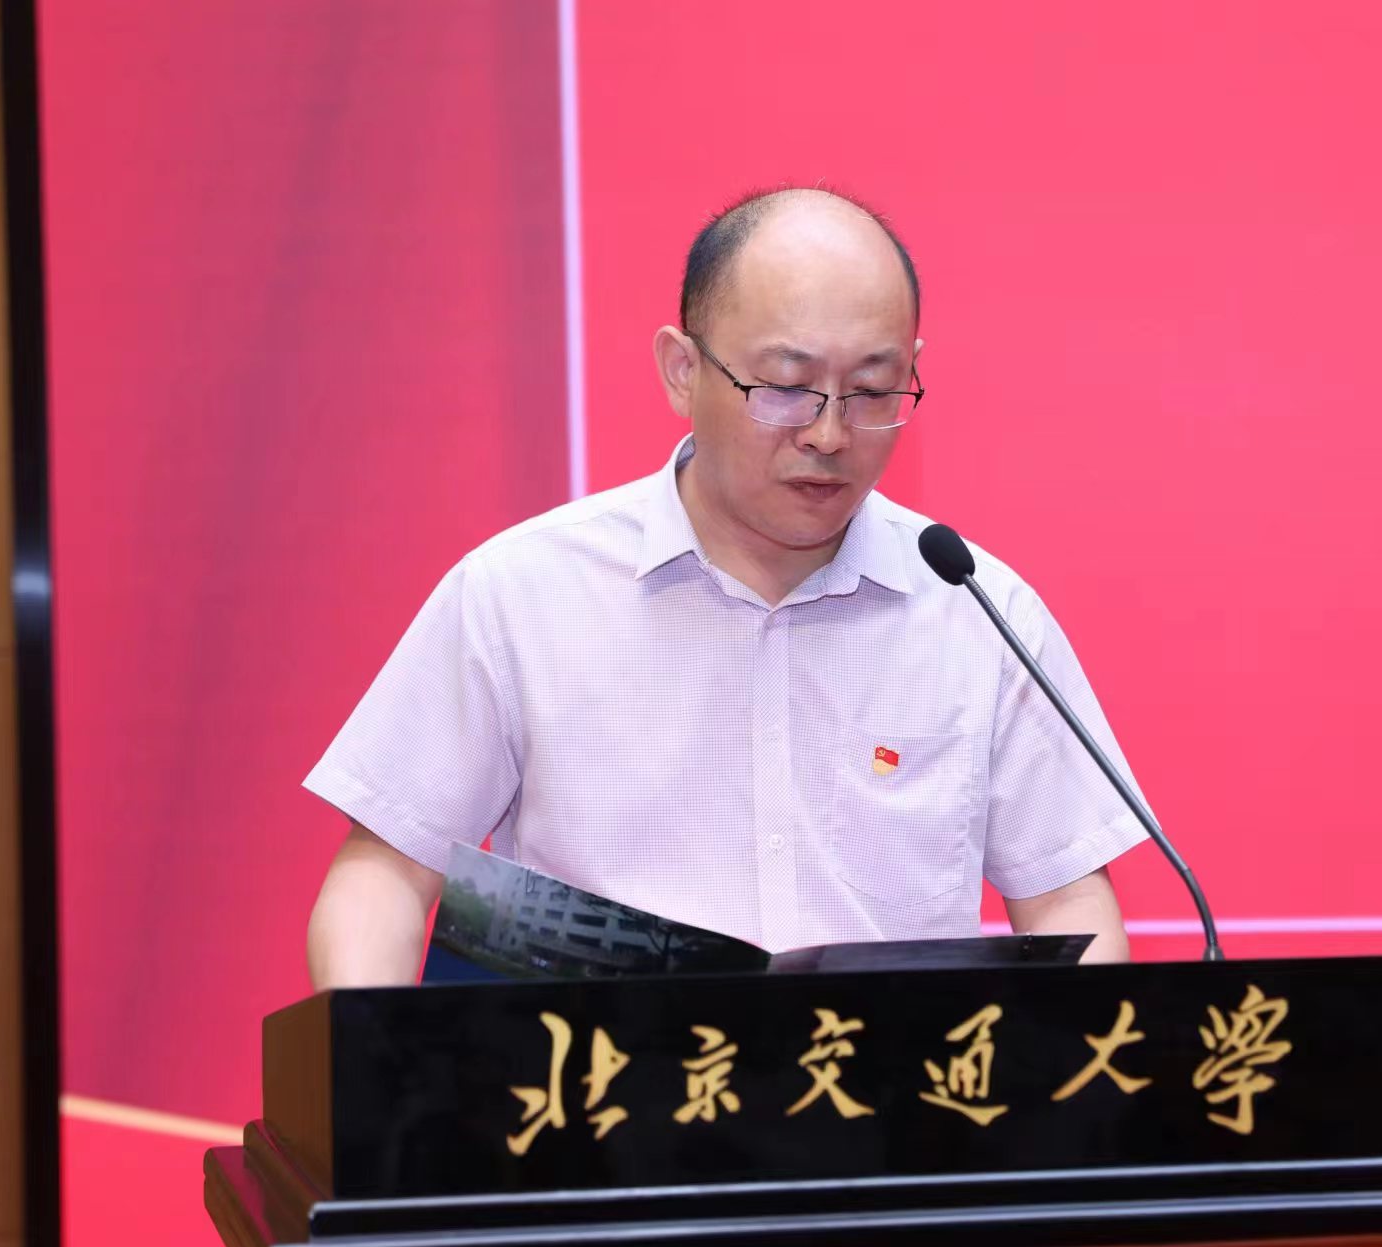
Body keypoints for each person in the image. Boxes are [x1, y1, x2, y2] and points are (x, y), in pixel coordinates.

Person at [304, 187, 1148, 989]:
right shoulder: (521, 595)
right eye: (786, 388)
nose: (829, 434)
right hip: (599, 1089)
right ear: (682, 369)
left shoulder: (977, 612)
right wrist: (381, 1065)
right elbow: (384, 876)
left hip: (884, 1093)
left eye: (870, 390)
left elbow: (1071, 904)